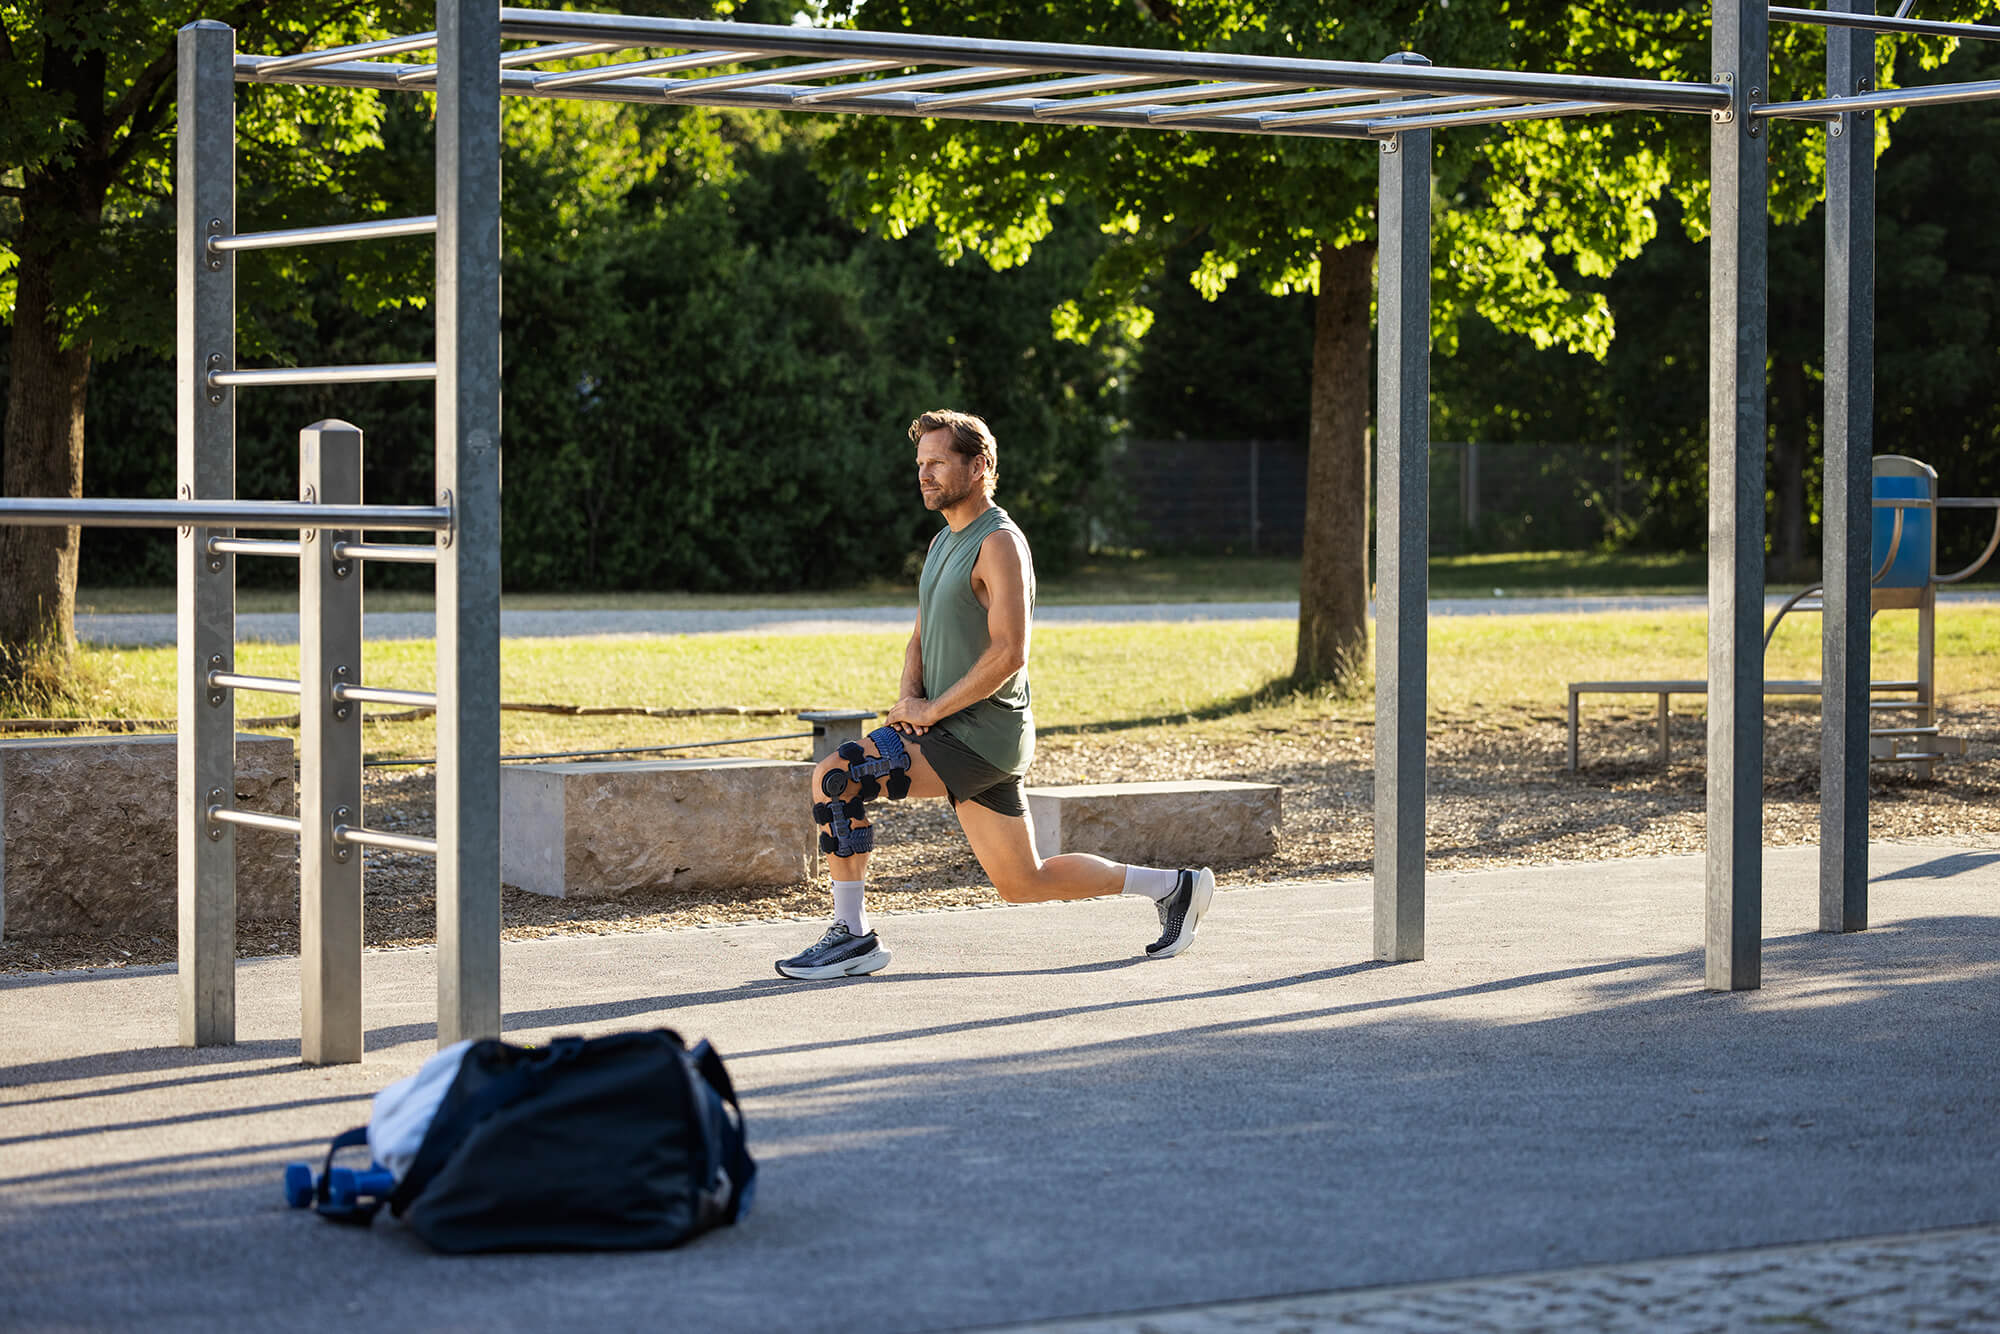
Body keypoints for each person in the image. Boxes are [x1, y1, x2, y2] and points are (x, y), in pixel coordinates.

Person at [776, 409, 1215, 980]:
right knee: (1023, 882)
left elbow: (1010, 653)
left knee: (838, 776)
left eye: (936, 462)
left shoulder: (1001, 543)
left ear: (980, 465)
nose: (924, 475)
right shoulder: (942, 543)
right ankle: (1175, 888)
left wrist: (930, 710)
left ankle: (852, 936)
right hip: (947, 729)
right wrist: (909, 702)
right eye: (920, 464)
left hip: (981, 735)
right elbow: (920, 636)